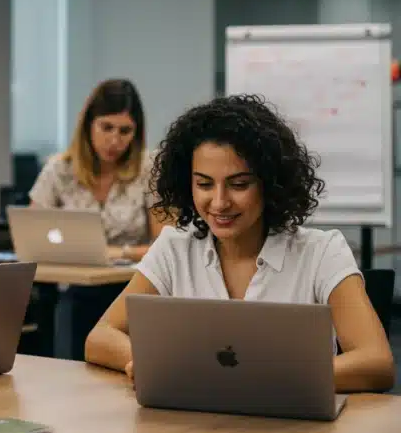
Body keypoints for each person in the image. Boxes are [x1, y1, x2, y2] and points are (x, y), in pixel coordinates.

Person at [84, 94, 395, 393]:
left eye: (239, 185)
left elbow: (376, 363)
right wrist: (148, 361)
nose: (219, 203)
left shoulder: (321, 252)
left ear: (269, 184)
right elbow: (100, 337)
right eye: (204, 184)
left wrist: (260, 380)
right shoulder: (175, 247)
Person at [28, 78, 168, 262]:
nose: (114, 141)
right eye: (106, 127)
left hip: (130, 281)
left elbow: (166, 247)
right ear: (88, 125)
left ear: (136, 134)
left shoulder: (150, 168)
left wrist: (121, 253)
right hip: (70, 281)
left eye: (125, 131)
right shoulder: (59, 168)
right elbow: (30, 240)